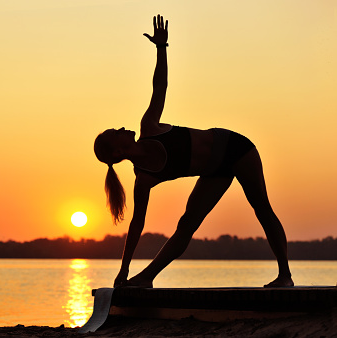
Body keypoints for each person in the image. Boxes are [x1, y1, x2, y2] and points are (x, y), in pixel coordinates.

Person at [93, 15, 294, 288]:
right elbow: (136, 227)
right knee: (187, 225)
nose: (120, 127)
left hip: (236, 148)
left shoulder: (149, 126)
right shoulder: (143, 179)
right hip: (215, 171)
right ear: (117, 150)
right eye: (114, 131)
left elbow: (159, 87)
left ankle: (285, 276)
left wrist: (161, 48)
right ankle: (146, 279)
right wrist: (122, 271)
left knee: (261, 207)